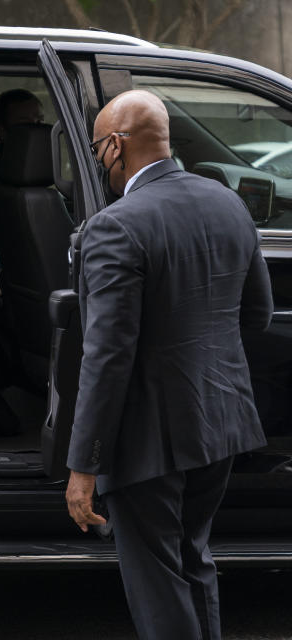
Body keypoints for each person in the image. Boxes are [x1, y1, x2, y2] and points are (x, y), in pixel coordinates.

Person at [65, 89, 273, 640]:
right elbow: (258, 314)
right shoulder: (227, 201)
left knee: (158, 583)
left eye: (95, 148)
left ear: (115, 146)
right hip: (219, 425)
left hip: (145, 441)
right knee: (192, 559)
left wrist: (84, 465)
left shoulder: (114, 226)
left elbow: (106, 357)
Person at [0, 88, 44, 179]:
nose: (36, 129)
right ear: (2, 132)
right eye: (25, 123)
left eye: (40, 120)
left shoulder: (39, 170)